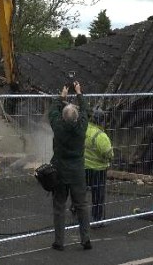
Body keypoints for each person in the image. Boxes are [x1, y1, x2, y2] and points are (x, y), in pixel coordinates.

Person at [48, 81, 92, 251]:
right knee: (81, 205)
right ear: (77, 117)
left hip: (60, 169)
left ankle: (59, 241)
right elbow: (86, 112)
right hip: (77, 171)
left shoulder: (58, 126)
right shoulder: (81, 127)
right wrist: (79, 93)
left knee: (59, 205)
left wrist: (62, 96)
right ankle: (86, 239)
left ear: (63, 117)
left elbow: (52, 112)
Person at [84, 109, 114, 225]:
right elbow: (109, 154)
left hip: (84, 167)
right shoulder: (101, 136)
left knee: (82, 190)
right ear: (102, 121)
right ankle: (97, 219)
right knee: (98, 195)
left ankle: (75, 208)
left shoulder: (84, 129)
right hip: (98, 170)